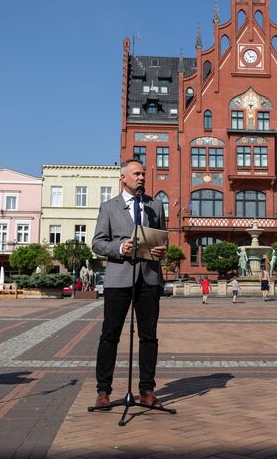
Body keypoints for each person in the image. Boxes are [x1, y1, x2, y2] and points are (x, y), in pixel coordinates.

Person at [91, 159, 168, 409]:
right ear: (123, 178)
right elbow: (97, 243)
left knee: (149, 337)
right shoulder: (109, 207)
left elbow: (162, 241)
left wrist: (161, 251)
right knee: (109, 335)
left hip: (149, 278)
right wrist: (119, 247)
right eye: (137, 173)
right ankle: (103, 390)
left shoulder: (155, 206)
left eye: (144, 173)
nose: (142, 177)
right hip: (118, 279)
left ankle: (147, 389)